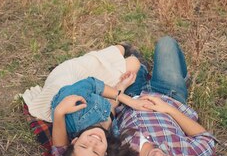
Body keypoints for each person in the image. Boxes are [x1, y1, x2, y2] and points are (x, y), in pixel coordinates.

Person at [52, 36, 218, 156]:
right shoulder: (186, 153)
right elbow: (206, 138)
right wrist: (168, 109)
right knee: (166, 43)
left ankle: (141, 67)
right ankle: (176, 77)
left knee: (132, 64)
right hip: (168, 93)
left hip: (128, 93)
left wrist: (59, 114)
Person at [21, 44, 149, 123]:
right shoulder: (104, 126)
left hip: (67, 82)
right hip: (85, 83)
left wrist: (129, 100)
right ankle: (123, 52)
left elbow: (92, 84)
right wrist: (122, 86)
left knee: (121, 52)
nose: (93, 142)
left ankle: (122, 49)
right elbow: (110, 107)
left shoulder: (72, 120)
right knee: (133, 63)